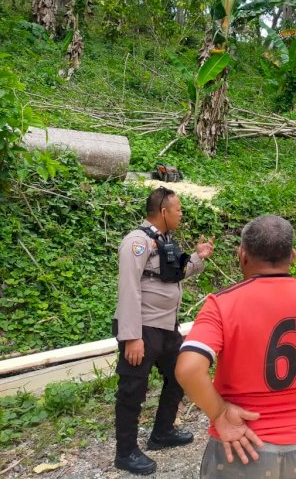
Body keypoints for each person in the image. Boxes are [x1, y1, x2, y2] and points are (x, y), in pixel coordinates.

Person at [176, 215, 296, 479]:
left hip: (243, 447)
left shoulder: (222, 304)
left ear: (242, 255)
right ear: (292, 256)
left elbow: (189, 369)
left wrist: (220, 413)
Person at [113, 186, 214, 475]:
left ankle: (162, 433)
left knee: (180, 373)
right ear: (164, 212)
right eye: (179, 209)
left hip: (167, 326)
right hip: (143, 327)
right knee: (133, 388)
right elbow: (129, 289)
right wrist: (132, 337)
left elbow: (173, 274)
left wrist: (198, 257)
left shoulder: (164, 239)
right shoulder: (137, 242)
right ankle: (126, 452)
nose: (182, 214)